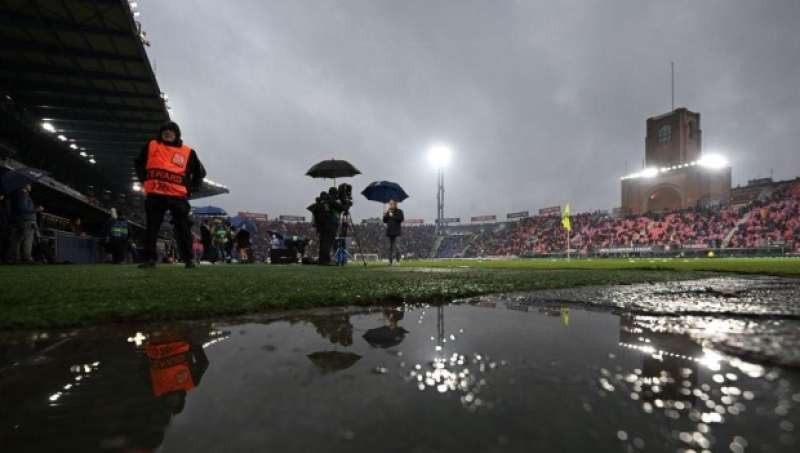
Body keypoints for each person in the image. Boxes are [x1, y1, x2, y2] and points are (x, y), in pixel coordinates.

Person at [134, 121, 206, 268]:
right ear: (160, 133)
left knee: (183, 228)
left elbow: (200, 173)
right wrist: (143, 179)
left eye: (171, 130)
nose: (167, 132)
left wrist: (192, 188)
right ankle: (149, 259)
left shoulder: (188, 152)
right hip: (155, 194)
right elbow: (138, 163)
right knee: (152, 227)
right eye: (164, 130)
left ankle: (188, 259)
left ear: (177, 134)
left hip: (177, 196)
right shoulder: (151, 145)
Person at [5, 184, 41, 264]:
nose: (30, 186)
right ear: (24, 186)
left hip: (17, 220)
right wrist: (36, 209)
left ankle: (15, 258)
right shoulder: (23, 195)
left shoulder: (16, 194)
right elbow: (23, 208)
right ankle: (27, 258)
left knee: (16, 240)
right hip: (26, 220)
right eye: (29, 185)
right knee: (27, 239)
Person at [382, 199, 404, 265]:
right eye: (389, 204)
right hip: (389, 232)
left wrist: (392, 216)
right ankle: (390, 261)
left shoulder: (399, 211)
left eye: (391, 204)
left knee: (397, 247)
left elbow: (401, 219)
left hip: (397, 232)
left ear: (395, 204)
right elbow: (384, 220)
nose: (390, 205)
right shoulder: (388, 212)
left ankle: (397, 261)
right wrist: (385, 215)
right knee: (389, 248)